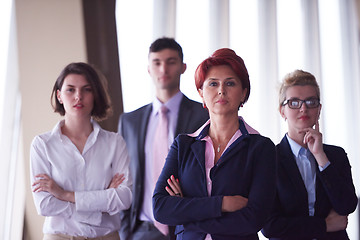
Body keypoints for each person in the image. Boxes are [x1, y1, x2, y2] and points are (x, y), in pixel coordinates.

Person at [153, 48, 277, 240]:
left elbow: (254, 218)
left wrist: (186, 213)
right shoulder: (183, 145)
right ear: (201, 93)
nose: (221, 90)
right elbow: (161, 208)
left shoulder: (261, 148)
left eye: (230, 83)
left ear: (243, 93)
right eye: (213, 83)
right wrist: (222, 204)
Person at [118, 37, 209, 240]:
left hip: (188, 227)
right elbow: (122, 176)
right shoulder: (129, 122)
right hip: (141, 230)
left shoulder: (203, 115)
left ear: (183, 67)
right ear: (148, 68)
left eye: (171, 61)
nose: (163, 69)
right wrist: (125, 231)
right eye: (157, 63)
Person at [30, 62, 132, 240]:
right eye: (70, 90)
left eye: (87, 89)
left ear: (95, 95)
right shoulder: (42, 145)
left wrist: (64, 195)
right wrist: (101, 204)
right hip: (60, 236)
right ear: (59, 96)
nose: (79, 96)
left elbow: (124, 197)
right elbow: (44, 204)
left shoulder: (115, 142)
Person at [261, 69, 358, 240]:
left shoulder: (336, 155)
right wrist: (325, 225)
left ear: (319, 109)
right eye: (294, 102)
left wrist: (321, 157)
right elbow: (270, 227)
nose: (303, 108)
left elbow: (347, 206)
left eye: (311, 102)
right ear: (282, 111)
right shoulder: (269, 158)